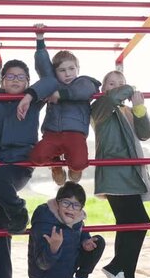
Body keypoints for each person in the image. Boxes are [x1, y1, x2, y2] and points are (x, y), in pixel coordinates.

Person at [0, 59, 58, 278]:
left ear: (28, 82)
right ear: (2, 80)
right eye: (10, 76)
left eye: (21, 77)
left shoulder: (34, 101)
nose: (15, 81)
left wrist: (30, 96)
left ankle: (19, 212)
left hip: (19, 166)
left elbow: (52, 79)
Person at [90, 70, 150, 278]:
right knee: (141, 221)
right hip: (115, 174)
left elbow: (145, 133)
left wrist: (139, 108)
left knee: (128, 225)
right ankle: (115, 267)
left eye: (120, 83)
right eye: (111, 83)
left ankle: (126, 276)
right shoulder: (100, 107)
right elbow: (112, 98)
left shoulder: (126, 111)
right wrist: (131, 89)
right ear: (104, 89)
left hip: (130, 175)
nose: (116, 87)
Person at [18, 23, 101, 186]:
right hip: (52, 132)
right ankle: (56, 166)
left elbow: (85, 90)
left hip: (75, 133)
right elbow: (43, 65)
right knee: (37, 157)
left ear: (78, 69)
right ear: (55, 73)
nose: (68, 73)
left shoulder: (83, 82)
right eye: (62, 70)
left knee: (78, 161)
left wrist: (61, 95)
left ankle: (75, 170)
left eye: (71, 68)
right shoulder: (53, 83)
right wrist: (40, 39)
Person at [28, 181, 107, 278]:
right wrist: (53, 248)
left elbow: (80, 230)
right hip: (49, 277)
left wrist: (85, 241)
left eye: (76, 205)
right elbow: (42, 264)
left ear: (81, 208)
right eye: (66, 203)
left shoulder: (76, 218)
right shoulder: (45, 221)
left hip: (67, 267)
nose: (71, 208)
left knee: (98, 242)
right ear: (57, 202)